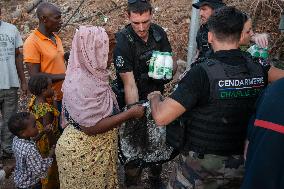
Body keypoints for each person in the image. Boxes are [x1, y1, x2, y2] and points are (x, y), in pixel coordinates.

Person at [148, 7, 268, 188]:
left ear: (210, 37)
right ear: (241, 35)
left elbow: (161, 116)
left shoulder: (202, 73)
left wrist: (155, 97)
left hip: (201, 171)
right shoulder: (258, 68)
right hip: (243, 165)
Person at [55, 26, 144, 189]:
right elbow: (91, 127)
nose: (110, 58)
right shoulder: (82, 83)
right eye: (107, 53)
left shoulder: (92, 74)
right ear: (91, 52)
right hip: (82, 155)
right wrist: (130, 113)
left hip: (96, 153)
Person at [113, 0, 176, 187]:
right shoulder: (122, 40)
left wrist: (168, 71)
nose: (141, 28)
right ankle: (133, 182)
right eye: (136, 23)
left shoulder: (158, 33)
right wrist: (134, 114)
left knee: (158, 146)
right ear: (128, 17)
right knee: (133, 151)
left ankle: (155, 179)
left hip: (157, 95)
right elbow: (129, 84)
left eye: (145, 21)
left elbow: (170, 66)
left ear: (151, 15)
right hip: (133, 99)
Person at [23, 2, 66, 124]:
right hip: (49, 100)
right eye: (57, 18)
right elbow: (35, 77)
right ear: (44, 19)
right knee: (52, 135)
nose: (61, 21)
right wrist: (66, 76)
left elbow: (56, 60)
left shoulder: (55, 37)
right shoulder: (32, 43)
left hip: (64, 95)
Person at [192, 0, 269, 63]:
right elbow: (199, 52)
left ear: (215, 9)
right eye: (200, 9)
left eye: (204, 9)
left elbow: (249, 34)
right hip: (203, 72)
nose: (200, 13)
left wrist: (258, 37)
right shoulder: (203, 28)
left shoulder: (230, 24)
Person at [0, 4, 27, 160]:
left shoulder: (11, 29)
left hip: (10, 84)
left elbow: (18, 57)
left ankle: (7, 150)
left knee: (10, 119)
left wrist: (23, 81)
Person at [28, 74, 60, 189]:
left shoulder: (34, 100)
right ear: (43, 90)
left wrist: (54, 101)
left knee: (43, 166)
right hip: (48, 143)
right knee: (51, 169)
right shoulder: (46, 110)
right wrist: (54, 146)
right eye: (50, 87)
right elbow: (48, 130)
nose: (53, 89)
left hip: (39, 142)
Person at [8, 112, 55, 189]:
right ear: (23, 133)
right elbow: (40, 171)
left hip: (21, 180)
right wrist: (50, 154)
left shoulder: (16, 139)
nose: (37, 126)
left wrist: (43, 132)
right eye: (34, 126)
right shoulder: (30, 150)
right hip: (31, 184)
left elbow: (33, 140)